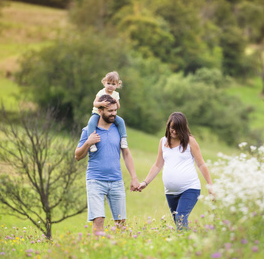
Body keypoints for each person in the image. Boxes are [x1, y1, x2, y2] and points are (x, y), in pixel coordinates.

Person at [135, 112, 214, 230]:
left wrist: (210, 185)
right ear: (168, 127)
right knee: (178, 223)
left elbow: (201, 164)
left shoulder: (190, 141)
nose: (174, 132)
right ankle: (188, 242)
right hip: (170, 192)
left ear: (183, 128)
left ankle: (186, 245)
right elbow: (157, 165)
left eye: (177, 129)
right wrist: (145, 183)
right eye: (172, 128)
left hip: (190, 188)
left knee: (181, 218)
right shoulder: (163, 142)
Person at [75, 94, 140, 234]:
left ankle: (121, 252)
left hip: (117, 181)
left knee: (121, 223)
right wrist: (88, 142)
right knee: (98, 220)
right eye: (110, 111)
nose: (114, 114)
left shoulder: (118, 129)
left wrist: (134, 177)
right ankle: (99, 251)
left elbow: (126, 153)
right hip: (95, 181)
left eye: (115, 110)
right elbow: (77, 155)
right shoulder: (88, 130)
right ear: (100, 110)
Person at [87, 71, 128, 153]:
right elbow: (95, 103)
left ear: (117, 85)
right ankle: (91, 143)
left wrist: (116, 102)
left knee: (121, 121)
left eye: (113, 84)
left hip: (110, 114)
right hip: (97, 113)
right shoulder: (101, 92)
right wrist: (101, 103)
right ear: (104, 83)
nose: (110, 86)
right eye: (108, 83)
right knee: (91, 123)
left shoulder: (116, 94)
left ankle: (123, 139)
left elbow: (118, 107)